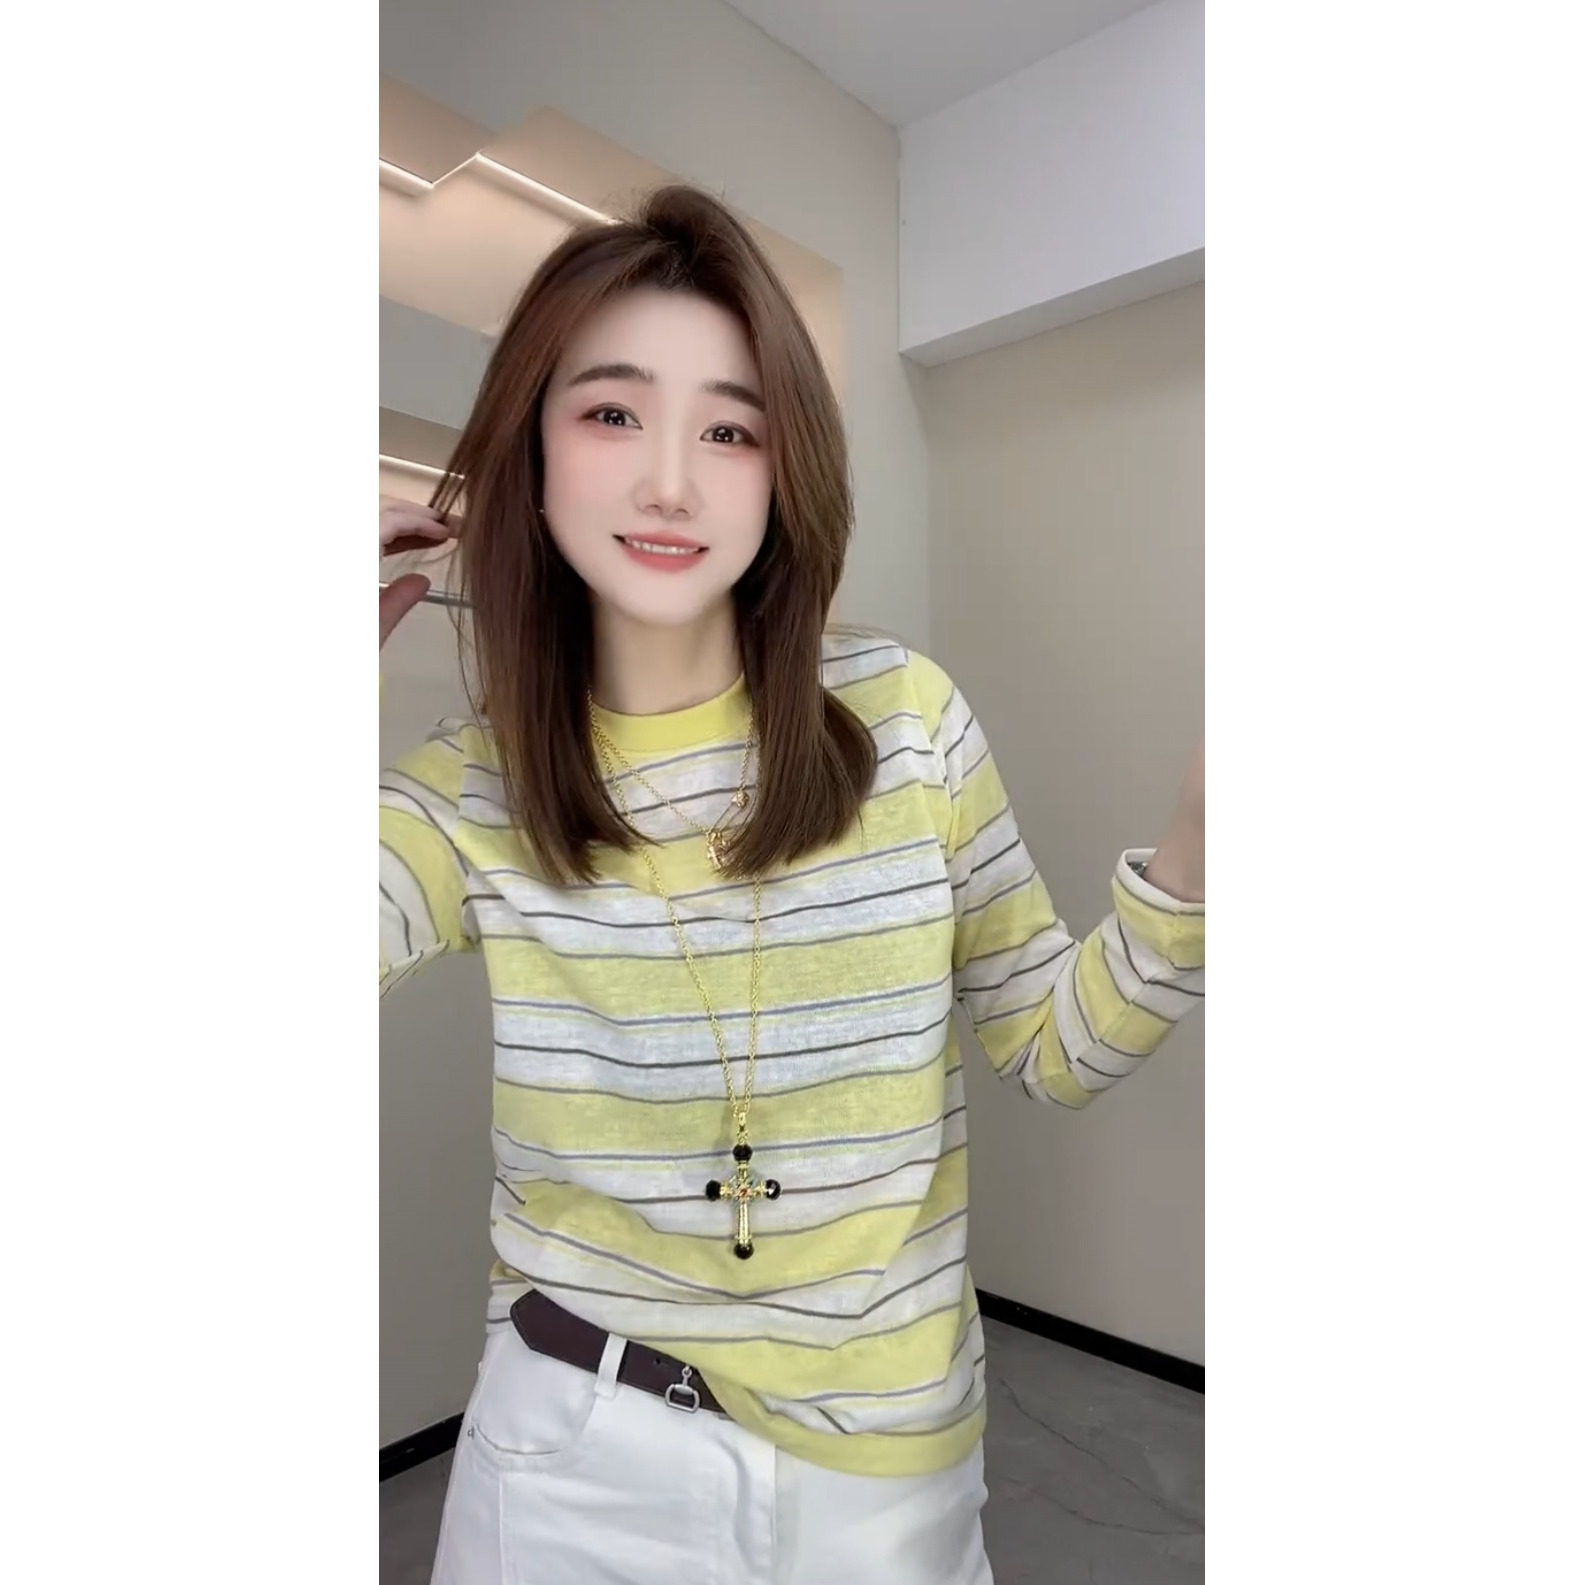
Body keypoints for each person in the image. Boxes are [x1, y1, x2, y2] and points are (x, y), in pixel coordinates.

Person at [379, 183, 1205, 1585]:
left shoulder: (908, 717)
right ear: (533, 451)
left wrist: (1192, 866)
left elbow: (1050, 1047)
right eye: (612, 411)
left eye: (730, 428)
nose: (670, 482)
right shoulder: (471, 788)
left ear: (785, 469)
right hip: (570, 1457)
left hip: (882, 1481)